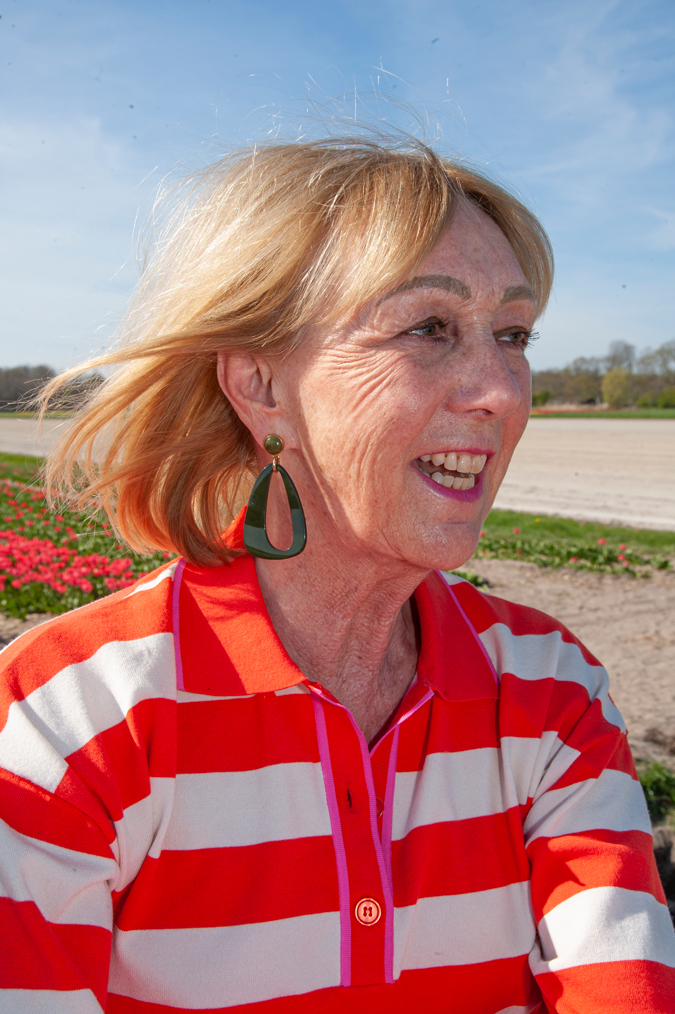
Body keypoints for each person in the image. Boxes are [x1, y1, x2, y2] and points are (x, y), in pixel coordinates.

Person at [0, 136, 673, 1014]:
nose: (504, 391)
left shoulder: (551, 696)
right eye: (429, 326)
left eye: (511, 334)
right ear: (259, 384)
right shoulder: (70, 720)